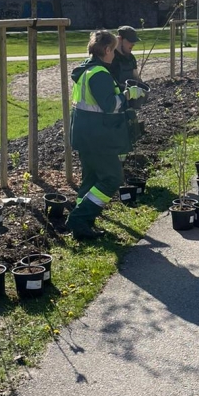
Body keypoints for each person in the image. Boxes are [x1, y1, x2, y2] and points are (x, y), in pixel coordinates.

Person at [66, 31, 145, 240]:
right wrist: (128, 95)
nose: (114, 55)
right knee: (112, 178)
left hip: (85, 135)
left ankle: (82, 226)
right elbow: (109, 105)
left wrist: (121, 91)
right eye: (113, 50)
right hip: (98, 137)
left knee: (90, 179)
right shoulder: (99, 73)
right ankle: (79, 218)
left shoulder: (86, 69)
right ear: (107, 49)